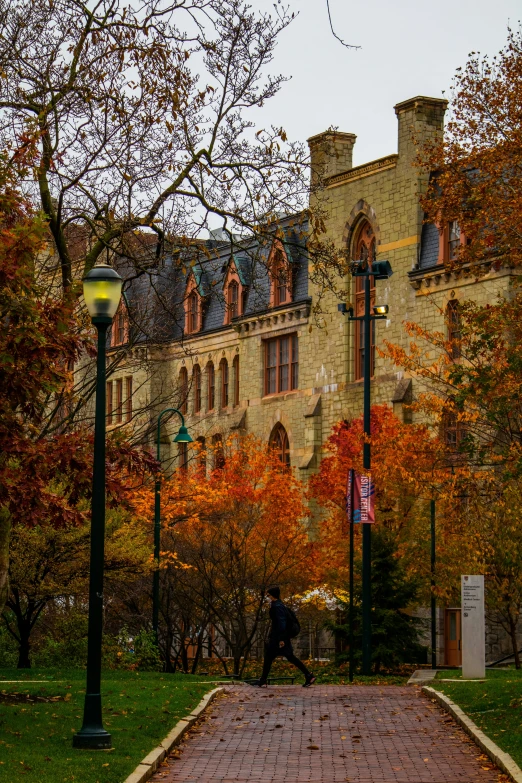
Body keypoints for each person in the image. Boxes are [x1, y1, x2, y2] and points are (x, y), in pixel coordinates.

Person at [251, 585, 316, 688]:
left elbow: (281, 623)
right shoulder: (279, 605)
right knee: (287, 657)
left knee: (271, 656)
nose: (267, 597)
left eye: (268, 595)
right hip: (281, 636)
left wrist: (281, 639)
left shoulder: (277, 607)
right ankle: (308, 675)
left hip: (278, 637)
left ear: (272, 596)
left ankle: (263, 680)